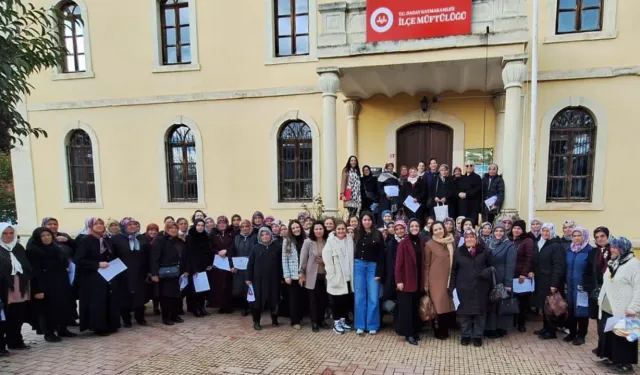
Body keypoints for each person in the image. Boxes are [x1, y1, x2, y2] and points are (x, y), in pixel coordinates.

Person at [596, 237, 638, 373]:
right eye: (611, 247)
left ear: (623, 248)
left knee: (624, 335)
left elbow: (639, 288)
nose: (612, 249)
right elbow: (606, 282)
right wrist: (600, 299)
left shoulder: (633, 264)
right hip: (609, 305)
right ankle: (613, 358)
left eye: (615, 247)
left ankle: (626, 363)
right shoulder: (613, 262)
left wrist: (634, 308)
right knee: (610, 333)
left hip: (624, 306)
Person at [26, 227, 76, 343]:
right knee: (47, 309)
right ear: (38, 238)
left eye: (48, 235)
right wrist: (38, 289)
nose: (46, 238)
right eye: (43, 236)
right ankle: (49, 333)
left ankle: (62, 329)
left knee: (62, 306)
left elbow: (63, 261)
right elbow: (35, 271)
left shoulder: (55, 247)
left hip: (60, 282)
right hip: (45, 283)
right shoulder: (33, 251)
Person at [74, 217, 121, 335]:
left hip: (107, 275)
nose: (99, 225)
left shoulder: (105, 239)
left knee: (108, 299)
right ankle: (98, 327)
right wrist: (97, 264)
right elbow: (79, 260)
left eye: (101, 223)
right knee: (97, 301)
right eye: (96, 224)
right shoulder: (85, 240)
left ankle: (110, 324)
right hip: (91, 276)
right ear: (90, 226)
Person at [450, 230, 493, 347]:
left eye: (472, 237)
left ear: (476, 238)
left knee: (480, 313)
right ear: (464, 239)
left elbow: (492, 267)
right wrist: (452, 287)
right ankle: (466, 335)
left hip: (481, 287)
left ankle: (477, 336)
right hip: (463, 287)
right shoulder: (458, 252)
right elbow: (453, 271)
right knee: (464, 313)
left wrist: (486, 272)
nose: (470, 239)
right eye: (467, 237)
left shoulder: (485, 251)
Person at [110, 217, 149, 328]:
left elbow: (147, 255)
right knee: (124, 296)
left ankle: (140, 317)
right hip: (123, 273)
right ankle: (126, 319)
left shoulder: (142, 238)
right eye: (129, 225)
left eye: (134, 224)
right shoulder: (116, 239)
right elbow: (113, 256)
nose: (132, 227)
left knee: (140, 296)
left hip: (140, 272)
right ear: (124, 226)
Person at [531, 223, 566, 340]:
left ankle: (551, 331)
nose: (545, 233)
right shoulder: (540, 243)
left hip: (550, 280)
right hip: (541, 279)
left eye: (548, 231)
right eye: (543, 231)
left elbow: (558, 266)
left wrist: (554, 284)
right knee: (545, 305)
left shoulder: (556, 246)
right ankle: (545, 328)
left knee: (552, 306)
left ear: (552, 232)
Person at [0, 223, 31, 352]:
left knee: (17, 314)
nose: (9, 236)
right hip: (4, 288)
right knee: (4, 316)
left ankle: (15, 340)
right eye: (5, 233)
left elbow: (27, 265)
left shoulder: (18, 247)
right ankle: (2, 344)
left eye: (11, 233)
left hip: (20, 286)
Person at [423, 221, 456, 340]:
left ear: (444, 229)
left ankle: (445, 328)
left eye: (440, 228)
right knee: (438, 306)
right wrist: (426, 283)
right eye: (435, 230)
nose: (438, 231)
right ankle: (438, 329)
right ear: (432, 232)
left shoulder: (451, 242)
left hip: (449, 278)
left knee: (447, 305)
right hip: (435, 280)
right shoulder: (429, 244)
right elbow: (426, 265)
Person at [353, 211, 385, 335]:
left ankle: (372, 325)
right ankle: (360, 325)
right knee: (359, 297)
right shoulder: (356, 233)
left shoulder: (378, 234)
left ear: (372, 221)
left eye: (369, 220)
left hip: (373, 266)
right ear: (361, 221)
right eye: (364, 220)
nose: (367, 222)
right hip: (359, 265)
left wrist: (379, 272)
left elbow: (381, 254)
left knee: (373, 297)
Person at [395, 219, 424, 345]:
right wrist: (399, 281)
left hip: (418, 280)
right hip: (406, 280)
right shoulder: (404, 243)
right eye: (412, 226)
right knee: (406, 309)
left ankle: (415, 331)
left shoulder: (422, 241)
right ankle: (408, 334)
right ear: (408, 228)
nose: (414, 228)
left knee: (415, 308)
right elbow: (398, 264)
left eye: (416, 225)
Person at [485, 223, 516, 338]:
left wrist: (508, 283)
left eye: (501, 231)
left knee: (500, 302)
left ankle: (500, 328)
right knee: (491, 303)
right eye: (496, 231)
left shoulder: (509, 245)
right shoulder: (489, 243)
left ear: (505, 232)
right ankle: (490, 327)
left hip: (502, 277)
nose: (498, 233)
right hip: (490, 277)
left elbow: (510, 265)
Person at [150, 222, 185, 326]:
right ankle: (166, 317)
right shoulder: (160, 240)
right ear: (166, 229)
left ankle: (174, 315)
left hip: (177, 272)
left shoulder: (179, 241)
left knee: (176, 296)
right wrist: (154, 274)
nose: (173, 230)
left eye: (175, 228)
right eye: (171, 228)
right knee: (165, 296)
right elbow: (154, 258)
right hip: (165, 273)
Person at [246, 227, 282, 330]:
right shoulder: (255, 248)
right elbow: (250, 264)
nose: (265, 236)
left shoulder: (276, 247)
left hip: (273, 279)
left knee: (274, 299)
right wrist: (248, 278)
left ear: (270, 235)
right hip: (258, 280)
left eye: (267, 234)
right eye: (262, 235)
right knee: (257, 301)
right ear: (259, 237)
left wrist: (282, 277)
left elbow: (280, 264)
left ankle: (274, 319)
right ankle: (256, 321)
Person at [323, 221, 354, 334]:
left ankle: (343, 320)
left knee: (344, 301)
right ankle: (336, 323)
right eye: (339, 229)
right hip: (336, 277)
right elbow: (327, 260)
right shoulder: (330, 242)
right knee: (336, 301)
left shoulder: (349, 241)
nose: (341, 231)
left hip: (347, 277)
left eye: (343, 229)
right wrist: (332, 276)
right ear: (335, 230)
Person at [564, 226, 593, 346]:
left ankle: (581, 335)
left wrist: (587, 285)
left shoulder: (590, 251)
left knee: (582, 311)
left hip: (582, 286)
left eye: (579, 235)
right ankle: (572, 332)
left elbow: (591, 271)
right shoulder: (569, 249)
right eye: (574, 236)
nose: (576, 238)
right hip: (570, 285)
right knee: (570, 309)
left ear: (584, 236)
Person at [584, 226, 610, 352]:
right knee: (599, 321)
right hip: (596, 292)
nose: (600, 239)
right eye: (597, 237)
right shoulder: (593, 252)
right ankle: (601, 346)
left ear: (607, 237)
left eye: (602, 236)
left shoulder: (613, 251)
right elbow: (588, 271)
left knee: (608, 321)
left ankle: (607, 349)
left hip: (610, 294)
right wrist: (589, 289)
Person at [299, 221, 329, 332]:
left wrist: (324, 262)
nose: (318, 231)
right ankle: (315, 322)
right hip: (312, 275)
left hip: (325, 275)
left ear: (324, 230)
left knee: (323, 300)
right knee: (313, 301)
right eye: (316, 229)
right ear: (313, 230)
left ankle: (322, 320)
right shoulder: (308, 242)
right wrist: (301, 273)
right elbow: (303, 258)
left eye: (320, 229)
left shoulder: (328, 242)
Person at [184, 219, 212, 317]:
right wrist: (193, 268)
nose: (200, 227)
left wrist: (209, 264)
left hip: (204, 266)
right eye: (198, 225)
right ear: (195, 226)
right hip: (194, 267)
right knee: (194, 290)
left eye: (202, 225)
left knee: (203, 289)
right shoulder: (189, 237)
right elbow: (189, 254)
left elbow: (209, 251)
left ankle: (202, 307)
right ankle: (195, 309)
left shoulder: (205, 236)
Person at [209, 216, 236, 314]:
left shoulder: (232, 233)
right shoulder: (213, 233)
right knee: (219, 285)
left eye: (224, 222)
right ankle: (221, 306)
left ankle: (229, 305)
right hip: (218, 261)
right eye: (220, 223)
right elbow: (210, 246)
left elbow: (234, 245)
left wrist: (227, 251)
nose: (222, 224)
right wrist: (217, 252)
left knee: (228, 284)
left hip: (228, 260)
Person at [511, 220, 534, 332]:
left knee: (522, 301)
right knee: (512, 299)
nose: (516, 230)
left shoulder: (527, 241)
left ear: (523, 230)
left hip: (521, 276)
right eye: (514, 228)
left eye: (519, 228)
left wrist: (524, 274)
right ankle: (512, 322)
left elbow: (529, 258)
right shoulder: (509, 239)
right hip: (510, 274)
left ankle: (521, 323)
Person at [282, 220, 305, 330]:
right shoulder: (287, 241)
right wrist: (287, 275)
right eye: (293, 228)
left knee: (302, 298)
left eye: (297, 227)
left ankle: (301, 317)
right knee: (293, 299)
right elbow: (284, 259)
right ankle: (295, 320)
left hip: (304, 274)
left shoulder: (306, 240)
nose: (296, 229)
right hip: (293, 274)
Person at [382, 221, 406, 324]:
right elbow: (389, 263)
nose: (399, 231)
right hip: (394, 277)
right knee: (393, 300)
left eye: (401, 228)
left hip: (407, 276)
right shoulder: (391, 243)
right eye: (397, 229)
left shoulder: (408, 241)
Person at [231, 220, 255, 315]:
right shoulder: (236, 238)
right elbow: (232, 252)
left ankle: (252, 308)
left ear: (250, 227)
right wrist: (232, 266)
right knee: (240, 290)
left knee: (250, 288)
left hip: (251, 267)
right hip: (239, 269)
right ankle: (244, 307)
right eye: (242, 227)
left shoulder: (254, 238)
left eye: (247, 226)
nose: (245, 228)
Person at [456, 161, 482, 225]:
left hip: (472, 203)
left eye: (471, 165)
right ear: (465, 167)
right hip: (463, 204)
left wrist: (467, 194)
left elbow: (477, 188)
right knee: (463, 221)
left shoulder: (477, 177)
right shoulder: (461, 178)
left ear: (474, 167)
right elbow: (457, 188)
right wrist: (458, 193)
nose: (469, 167)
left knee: (471, 222)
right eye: (467, 166)